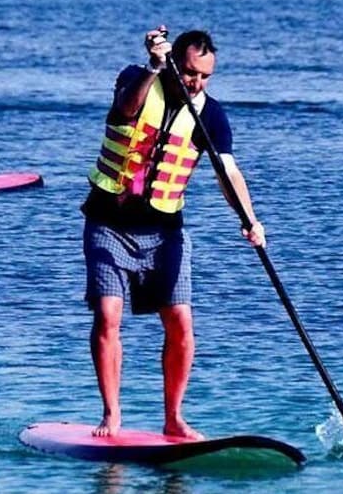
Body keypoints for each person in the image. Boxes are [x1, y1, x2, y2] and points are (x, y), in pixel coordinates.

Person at [82, 26, 266, 439]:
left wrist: (250, 220)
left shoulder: (211, 115)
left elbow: (228, 173)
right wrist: (154, 67)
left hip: (166, 232)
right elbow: (127, 110)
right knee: (108, 315)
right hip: (109, 223)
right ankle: (112, 415)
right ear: (173, 64)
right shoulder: (136, 79)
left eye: (203, 76)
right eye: (188, 73)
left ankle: (173, 417)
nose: (195, 82)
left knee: (181, 321)